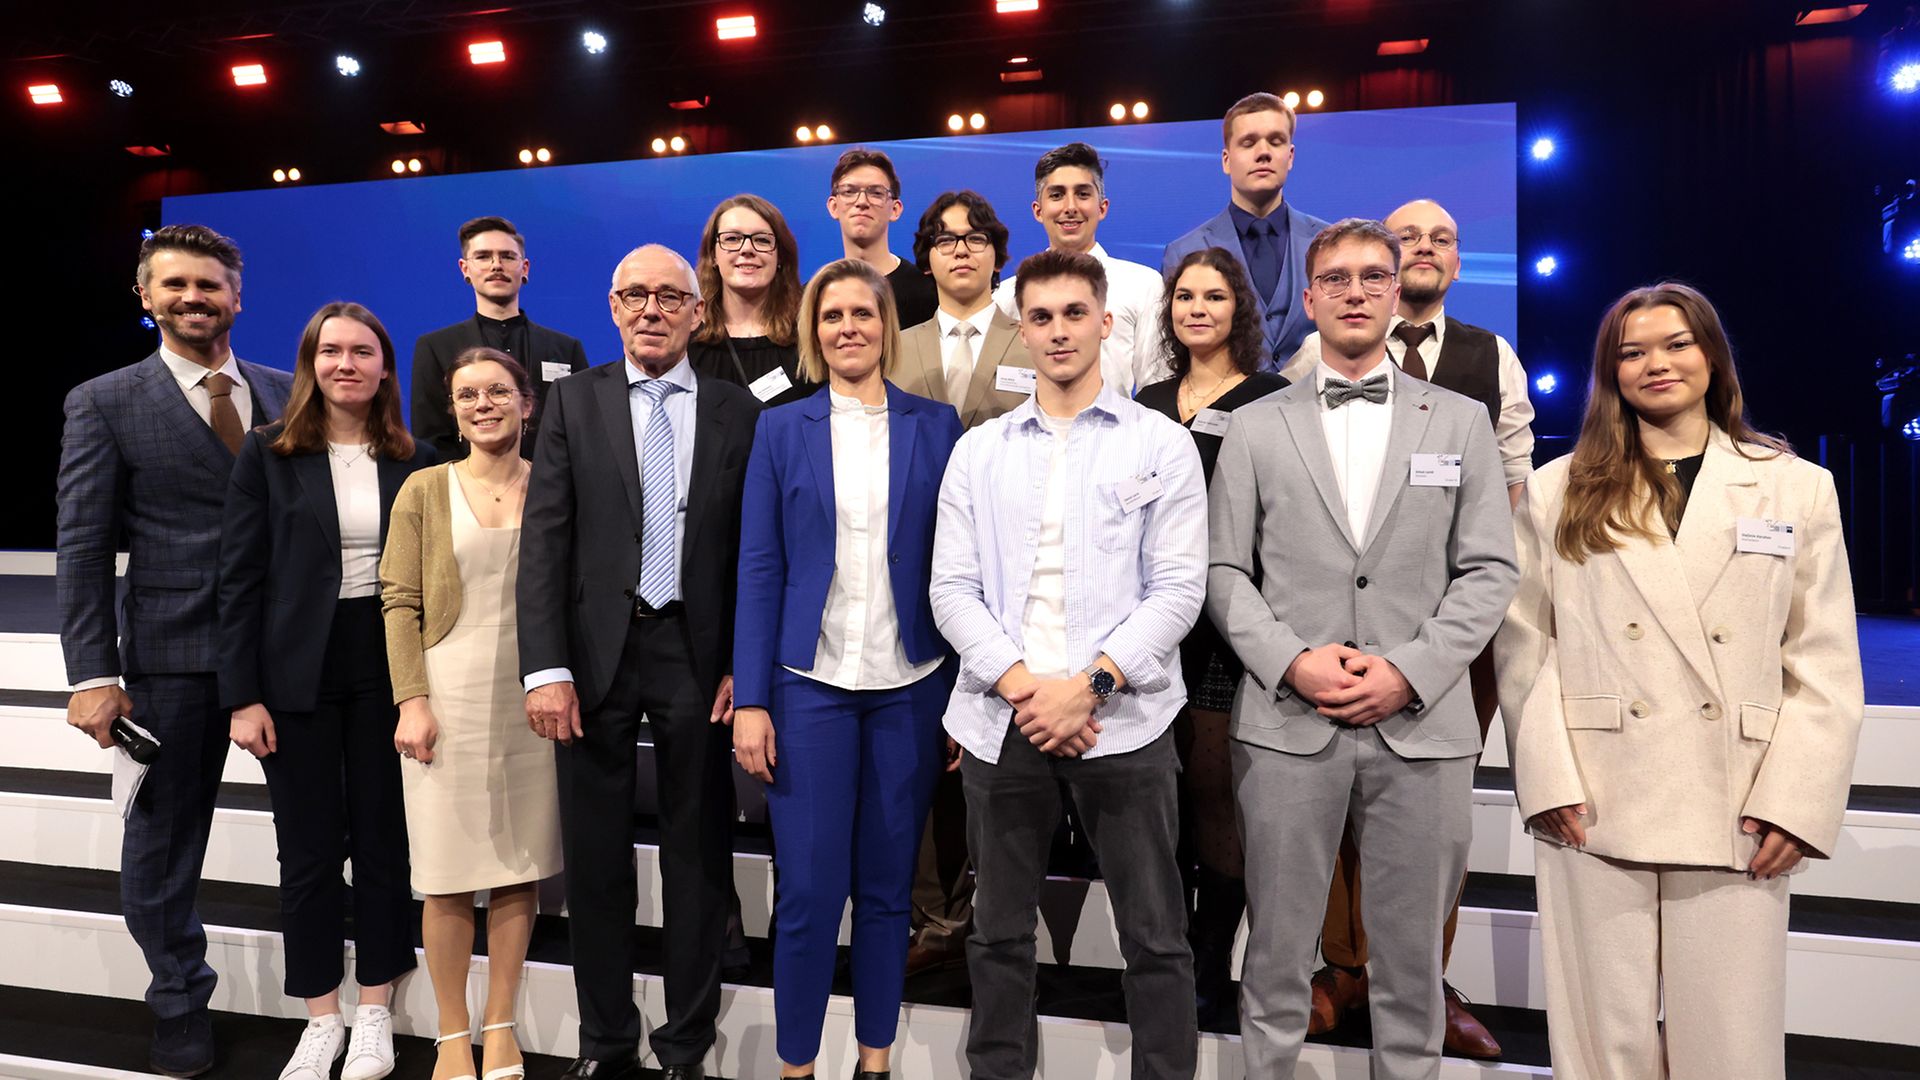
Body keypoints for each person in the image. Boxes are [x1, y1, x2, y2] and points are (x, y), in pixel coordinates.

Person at [1494, 282, 1863, 1080]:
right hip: (1594, 793)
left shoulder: (1796, 486)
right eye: (1632, 352)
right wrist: (1546, 777)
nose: (1656, 364)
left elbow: (1824, 658)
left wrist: (1797, 801)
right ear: (1610, 371)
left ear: (1712, 357)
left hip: (1740, 795)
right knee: (1601, 1045)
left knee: (1730, 1042)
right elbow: (1527, 642)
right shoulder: (1559, 487)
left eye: (1676, 344)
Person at [1205, 219, 1517, 1080]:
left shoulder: (1461, 421)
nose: (1354, 292)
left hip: (1421, 724)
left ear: (1396, 291)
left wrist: (1409, 671)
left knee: (1412, 962)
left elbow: (1491, 570)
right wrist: (1292, 660)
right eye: (1335, 279)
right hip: (1287, 721)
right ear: (1308, 300)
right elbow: (1222, 571)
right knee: (1276, 951)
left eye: (1372, 276)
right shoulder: (1255, 425)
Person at [931, 249, 1206, 1080]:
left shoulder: (1161, 444)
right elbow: (951, 589)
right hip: (1003, 719)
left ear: (1105, 323)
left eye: (1074, 314)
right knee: (997, 934)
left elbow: (1179, 588)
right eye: (1041, 317)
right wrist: (1027, 691)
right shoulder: (979, 451)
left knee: (1156, 936)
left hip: (1125, 722)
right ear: (1022, 328)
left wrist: (1087, 689)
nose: (1058, 331)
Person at [1280, 198, 1535, 1057]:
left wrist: (1450, 625)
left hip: (1446, 632)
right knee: (1334, 812)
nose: (1425, 248)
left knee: (1431, 821)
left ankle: (1422, 978)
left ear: (1448, 264)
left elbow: (1513, 481)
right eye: (1409, 236)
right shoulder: (1311, 357)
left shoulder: (1489, 357)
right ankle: (1342, 969)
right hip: (1330, 638)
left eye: (1441, 239)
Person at [56, 225, 293, 1077]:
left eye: (209, 285)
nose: (194, 298)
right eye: (175, 285)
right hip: (172, 655)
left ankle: (334, 998)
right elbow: (83, 544)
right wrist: (93, 673)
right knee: (161, 851)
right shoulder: (104, 400)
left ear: (237, 296)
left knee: (317, 834)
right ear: (146, 296)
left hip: (288, 654)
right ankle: (179, 1001)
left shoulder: (287, 390)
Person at [518, 244, 759, 1080]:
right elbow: (544, 541)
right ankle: (606, 1041)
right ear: (612, 307)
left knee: (699, 856)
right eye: (634, 296)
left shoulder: (737, 410)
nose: (651, 310)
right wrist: (545, 669)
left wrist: (748, 663)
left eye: (668, 296)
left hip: (700, 656)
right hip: (593, 660)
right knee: (595, 859)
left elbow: (755, 552)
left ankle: (686, 1046)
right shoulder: (571, 401)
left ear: (698, 311)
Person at [731, 258, 964, 1079]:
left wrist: (960, 697)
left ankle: (875, 1063)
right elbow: (759, 567)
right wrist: (751, 698)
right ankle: (796, 1068)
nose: (848, 328)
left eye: (862, 313)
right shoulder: (779, 428)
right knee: (806, 895)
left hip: (911, 688)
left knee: (889, 894)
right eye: (832, 316)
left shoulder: (938, 426)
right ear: (813, 331)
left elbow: (959, 567)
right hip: (807, 690)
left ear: (885, 325)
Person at [219, 301, 436, 1080]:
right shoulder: (268, 451)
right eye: (331, 351)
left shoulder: (418, 458)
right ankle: (321, 1017)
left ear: (385, 367)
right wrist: (242, 695)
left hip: (388, 663)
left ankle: (374, 1009)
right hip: (293, 673)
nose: (347, 364)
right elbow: (238, 577)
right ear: (311, 364)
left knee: (383, 842)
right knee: (308, 851)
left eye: (363, 352)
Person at [381, 346, 563, 1080]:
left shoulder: (555, 484)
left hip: (535, 697)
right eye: (467, 395)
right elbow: (398, 602)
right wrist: (412, 700)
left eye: (497, 391)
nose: (483, 404)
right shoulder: (425, 488)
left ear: (527, 403)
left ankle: (501, 1023)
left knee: (520, 866)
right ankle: (451, 1032)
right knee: (448, 873)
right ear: (453, 412)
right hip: (446, 698)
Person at [1132, 246, 1286, 1029]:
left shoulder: (1272, 397)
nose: (1197, 309)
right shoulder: (1149, 400)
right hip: (1153, 622)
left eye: (1214, 296)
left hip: (1232, 623)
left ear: (1240, 309)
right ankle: (1166, 956)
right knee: (1159, 801)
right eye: (1185, 296)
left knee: (1216, 795)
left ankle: (1210, 960)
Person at [1163, 93, 1332, 369]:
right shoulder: (1184, 252)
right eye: (1249, 142)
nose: (1263, 152)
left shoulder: (1329, 243)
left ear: (1290, 156)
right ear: (1226, 160)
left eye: (1275, 141)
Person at [993, 141, 1169, 394]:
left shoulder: (1143, 285)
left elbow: (1156, 385)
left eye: (1083, 194)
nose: (1070, 207)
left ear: (1102, 207)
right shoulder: (1006, 296)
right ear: (1038, 211)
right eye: (1057, 195)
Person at [410, 215, 590, 461]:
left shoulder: (566, 349)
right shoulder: (435, 348)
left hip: (553, 481)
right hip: (463, 481)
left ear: (524, 268)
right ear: (465, 269)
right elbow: (431, 437)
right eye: (483, 257)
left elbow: (583, 430)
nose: (496, 265)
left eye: (507, 256)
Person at [895, 189, 1032, 431]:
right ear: (927, 261)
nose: (961, 251)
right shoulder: (895, 351)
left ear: (998, 258)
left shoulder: (1034, 344)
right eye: (945, 240)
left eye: (976, 239)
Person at [688, 193, 817, 407]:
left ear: (780, 256)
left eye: (762, 240)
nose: (747, 249)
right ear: (713, 255)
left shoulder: (810, 336)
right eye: (732, 239)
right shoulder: (686, 342)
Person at [826, 148, 938, 328]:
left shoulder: (927, 293)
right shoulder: (815, 295)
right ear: (833, 207)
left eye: (876, 193)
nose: (862, 202)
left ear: (895, 209)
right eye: (849, 191)